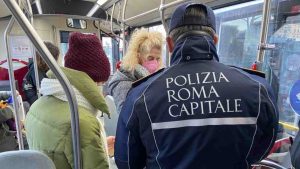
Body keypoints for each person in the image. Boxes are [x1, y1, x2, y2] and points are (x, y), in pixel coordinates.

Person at [114, 3, 278, 169]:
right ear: (215, 40)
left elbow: (126, 162)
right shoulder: (257, 88)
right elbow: (263, 148)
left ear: (170, 44)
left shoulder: (141, 95)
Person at [25, 32, 111, 169]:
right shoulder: (80, 122)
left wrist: (96, 144)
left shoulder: (37, 106)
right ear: (91, 81)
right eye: (100, 83)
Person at [108, 29, 163, 114]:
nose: (155, 63)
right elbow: (128, 116)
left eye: (158, 59)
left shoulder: (151, 78)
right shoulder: (123, 83)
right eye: (150, 58)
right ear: (138, 56)